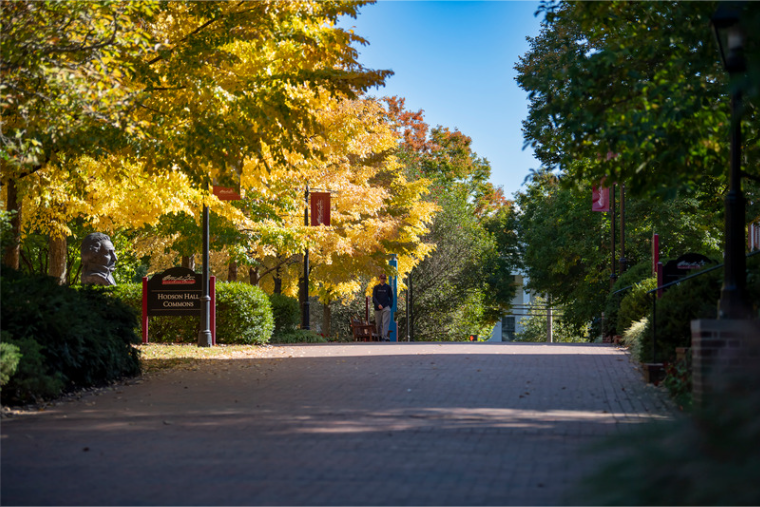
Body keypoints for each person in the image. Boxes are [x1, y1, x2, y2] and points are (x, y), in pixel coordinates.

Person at [372, 273, 393, 341]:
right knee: (378, 324)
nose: (382, 280)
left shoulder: (388, 287)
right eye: (381, 278)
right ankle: (379, 336)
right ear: (379, 279)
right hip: (378, 308)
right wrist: (378, 304)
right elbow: (374, 298)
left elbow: (391, 297)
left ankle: (384, 337)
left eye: (384, 279)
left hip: (386, 307)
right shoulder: (376, 288)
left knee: (385, 322)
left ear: (385, 279)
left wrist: (389, 305)